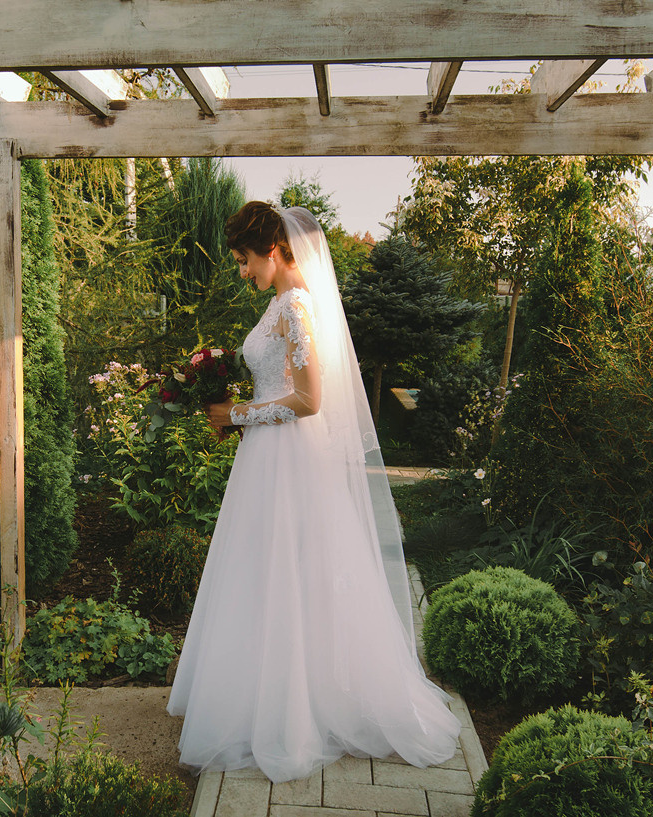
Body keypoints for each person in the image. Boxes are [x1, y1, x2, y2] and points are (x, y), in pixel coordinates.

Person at [165, 202, 461, 783]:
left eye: (245, 260)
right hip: (266, 456)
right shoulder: (280, 302)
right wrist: (234, 405)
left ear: (274, 250)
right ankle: (261, 693)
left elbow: (309, 400)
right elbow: (278, 383)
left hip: (288, 459)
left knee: (290, 569)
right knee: (265, 571)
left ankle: (295, 709)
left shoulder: (297, 305)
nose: (243, 271)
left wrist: (237, 413)